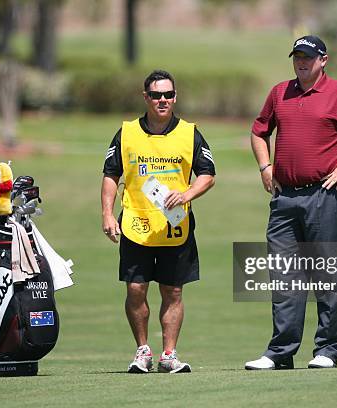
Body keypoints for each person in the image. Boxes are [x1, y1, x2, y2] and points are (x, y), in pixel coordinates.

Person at [245, 35, 337, 370]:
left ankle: (327, 351)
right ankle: (280, 353)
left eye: (308, 57)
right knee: (284, 277)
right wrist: (265, 167)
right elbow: (258, 131)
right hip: (284, 199)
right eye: (297, 56)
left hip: (325, 196)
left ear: (324, 60)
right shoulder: (280, 92)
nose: (301, 62)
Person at [101, 70, 215, 374]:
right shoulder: (126, 133)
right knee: (136, 289)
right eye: (155, 95)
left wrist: (188, 193)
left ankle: (169, 354)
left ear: (174, 97)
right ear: (145, 97)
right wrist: (107, 214)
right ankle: (142, 351)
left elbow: (208, 174)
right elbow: (111, 175)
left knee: (173, 291)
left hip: (175, 228)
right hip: (135, 225)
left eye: (167, 95)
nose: (162, 100)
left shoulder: (190, 133)